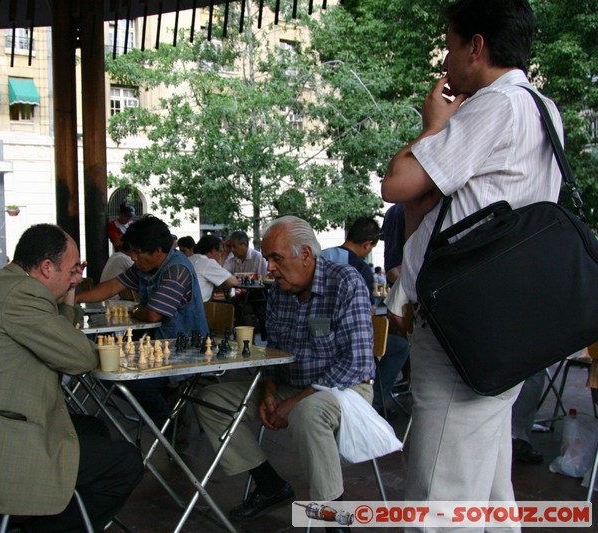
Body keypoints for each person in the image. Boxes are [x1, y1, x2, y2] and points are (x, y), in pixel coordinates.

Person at [381, 0, 562, 515]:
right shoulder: (543, 109)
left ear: (476, 46)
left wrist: (433, 123)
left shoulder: (495, 106)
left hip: (462, 323)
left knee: (441, 496)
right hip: (504, 318)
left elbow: (398, 184)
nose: (446, 59)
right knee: (485, 488)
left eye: (451, 44)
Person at [0, 224, 143, 531]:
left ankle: (53, 509)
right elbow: (80, 357)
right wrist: (68, 300)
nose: (78, 279)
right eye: (73, 270)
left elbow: (57, 334)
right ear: (46, 267)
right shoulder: (21, 295)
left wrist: (67, 292)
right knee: (126, 462)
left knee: (93, 428)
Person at [195, 216, 374, 521]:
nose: (270, 268)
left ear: (305, 255)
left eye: (276, 259)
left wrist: (294, 401)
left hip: (346, 389)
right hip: (293, 387)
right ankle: (270, 485)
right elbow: (274, 352)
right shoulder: (278, 292)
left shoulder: (345, 281)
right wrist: (269, 392)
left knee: (309, 412)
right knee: (211, 400)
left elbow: (356, 362)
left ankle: (335, 522)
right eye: (267, 259)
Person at [77, 215, 208, 427]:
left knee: (134, 383)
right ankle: (162, 420)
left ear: (158, 250)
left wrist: (139, 309)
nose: (133, 258)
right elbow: (112, 287)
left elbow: (153, 314)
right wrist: (75, 298)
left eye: (138, 252)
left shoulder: (176, 270)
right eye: (132, 251)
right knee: (107, 373)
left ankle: (167, 424)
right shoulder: (144, 268)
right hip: (157, 344)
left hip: (184, 348)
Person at [322, 218, 410, 416]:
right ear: (367, 244)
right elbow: (366, 316)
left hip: (318, 332)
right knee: (400, 347)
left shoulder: (323, 255)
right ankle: (375, 402)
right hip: (345, 343)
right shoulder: (360, 269)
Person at [222, 230, 269, 339]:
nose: (232, 250)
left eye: (234, 246)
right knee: (237, 306)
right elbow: (221, 273)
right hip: (240, 295)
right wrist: (225, 253)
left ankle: (250, 338)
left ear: (245, 245)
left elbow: (264, 278)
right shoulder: (232, 259)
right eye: (230, 247)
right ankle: (243, 338)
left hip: (258, 295)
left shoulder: (258, 257)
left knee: (247, 308)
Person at [189, 235, 238, 302]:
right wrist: (225, 254)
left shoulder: (190, 259)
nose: (220, 255)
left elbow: (218, 274)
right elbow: (234, 282)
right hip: (199, 307)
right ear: (212, 251)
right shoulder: (207, 262)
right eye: (220, 251)